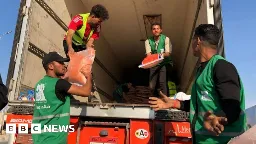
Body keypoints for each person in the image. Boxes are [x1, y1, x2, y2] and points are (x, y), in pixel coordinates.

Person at [148, 24, 247, 144]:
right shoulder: (202, 71)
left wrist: (218, 119)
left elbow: (233, 106)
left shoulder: (222, 67)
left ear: (198, 41)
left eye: (193, 40)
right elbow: (199, 104)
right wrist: (173, 103)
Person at [32, 51, 92, 144]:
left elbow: (53, 101)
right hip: (55, 139)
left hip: (39, 138)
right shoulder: (59, 83)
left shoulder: (39, 85)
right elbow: (86, 92)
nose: (64, 66)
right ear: (51, 66)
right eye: (60, 63)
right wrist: (88, 76)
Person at [145, 23, 172, 97]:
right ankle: (150, 100)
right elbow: (148, 55)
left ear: (161, 30)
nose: (156, 30)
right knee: (151, 85)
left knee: (162, 83)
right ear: (151, 31)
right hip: (153, 64)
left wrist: (156, 56)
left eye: (157, 28)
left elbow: (167, 53)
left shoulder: (166, 39)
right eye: (154, 29)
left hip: (163, 63)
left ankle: (165, 100)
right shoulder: (148, 41)